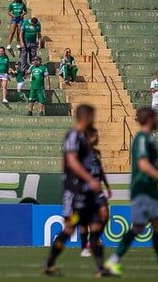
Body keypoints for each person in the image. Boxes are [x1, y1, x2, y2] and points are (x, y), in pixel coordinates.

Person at [105, 108, 158, 278]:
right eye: (155, 117)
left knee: (157, 226)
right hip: (142, 189)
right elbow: (143, 165)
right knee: (138, 227)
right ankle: (113, 261)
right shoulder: (141, 139)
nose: (157, 119)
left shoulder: (148, 139)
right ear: (149, 119)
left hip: (152, 190)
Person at [43, 104, 111, 277]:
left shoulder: (83, 138)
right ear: (86, 117)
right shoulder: (73, 136)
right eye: (92, 116)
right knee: (69, 228)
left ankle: (100, 268)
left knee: (95, 227)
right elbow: (72, 162)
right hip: (75, 193)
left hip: (87, 193)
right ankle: (49, 263)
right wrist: (89, 180)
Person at [79, 127, 112, 258]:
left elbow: (100, 170)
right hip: (85, 190)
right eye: (95, 136)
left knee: (105, 214)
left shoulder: (95, 153)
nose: (97, 138)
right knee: (84, 221)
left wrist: (107, 186)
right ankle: (84, 247)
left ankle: (94, 239)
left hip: (97, 190)